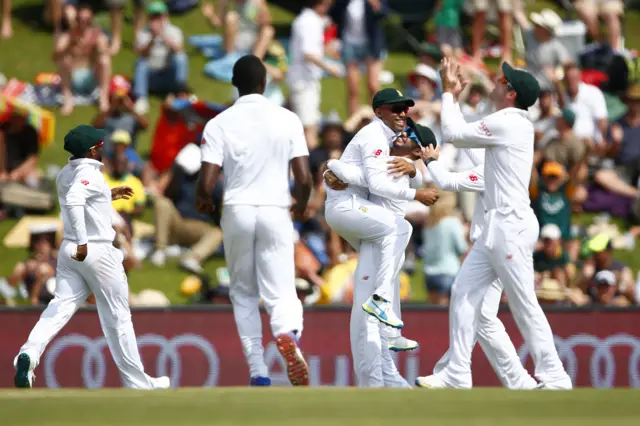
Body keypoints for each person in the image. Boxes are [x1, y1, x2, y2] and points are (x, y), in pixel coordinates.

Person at [418, 58, 571, 389]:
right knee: (462, 291)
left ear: (511, 93)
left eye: (504, 81)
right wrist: (454, 99)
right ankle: (458, 372)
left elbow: (455, 134)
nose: (497, 83)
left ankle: (555, 375)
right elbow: (468, 145)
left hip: (511, 225)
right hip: (496, 228)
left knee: (523, 302)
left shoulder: (510, 122)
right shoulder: (506, 125)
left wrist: (446, 91)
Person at [13, 125, 169, 390]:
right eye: (100, 146)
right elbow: (76, 200)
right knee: (118, 316)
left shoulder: (65, 173)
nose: (103, 150)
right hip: (95, 250)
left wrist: (109, 195)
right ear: (93, 150)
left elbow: (83, 199)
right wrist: (84, 241)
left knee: (59, 307)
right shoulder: (89, 174)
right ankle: (138, 383)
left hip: (69, 253)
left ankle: (28, 354)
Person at [196, 55, 313, 387]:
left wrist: (204, 201)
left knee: (244, 294)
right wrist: (301, 207)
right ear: (265, 83)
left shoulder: (218, 124)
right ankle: (286, 332)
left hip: (237, 210)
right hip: (276, 209)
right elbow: (304, 178)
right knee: (282, 292)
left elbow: (206, 184)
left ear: (234, 84)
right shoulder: (288, 119)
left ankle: (258, 372)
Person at [415, 143, 537, 390]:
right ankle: (520, 382)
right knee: (482, 316)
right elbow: (472, 146)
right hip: (495, 244)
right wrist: (456, 135)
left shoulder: (492, 173)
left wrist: (430, 160)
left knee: (466, 299)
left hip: (495, 245)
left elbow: (446, 181)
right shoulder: (500, 166)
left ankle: (455, 374)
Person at [323, 121, 434, 386]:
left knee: (370, 315)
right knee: (376, 315)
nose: (403, 133)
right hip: (382, 240)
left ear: (417, 150)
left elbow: (365, 179)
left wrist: (333, 168)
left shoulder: (398, 165)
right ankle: (380, 379)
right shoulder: (393, 160)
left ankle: (379, 379)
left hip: (382, 243)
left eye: (410, 136)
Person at [324, 88, 439, 330]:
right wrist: (332, 168)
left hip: (363, 218)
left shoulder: (394, 152)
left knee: (384, 281)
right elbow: (376, 181)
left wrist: (334, 168)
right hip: (350, 209)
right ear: (378, 112)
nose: (404, 116)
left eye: (405, 110)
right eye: (396, 109)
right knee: (400, 229)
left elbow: (371, 176)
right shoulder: (377, 138)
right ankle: (381, 304)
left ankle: (390, 336)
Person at [287, 0, 342, 150]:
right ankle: (311, 168)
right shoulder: (309, 23)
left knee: (310, 125)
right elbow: (309, 54)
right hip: (304, 82)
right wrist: (331, 69)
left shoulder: (309, 21)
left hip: (304, 80)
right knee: (308, 128)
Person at [330, 0, 388, 116]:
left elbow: (384, 14)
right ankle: (354, 124)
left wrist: (376, 5)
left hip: (371, 44)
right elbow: (334, 14)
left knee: (373, 86)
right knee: (353, 88)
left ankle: (376, 120)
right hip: (350, 43)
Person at [53, 3, 111, 115]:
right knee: (63, 60)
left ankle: (103, 99)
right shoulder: (68, 36)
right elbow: (55, 57)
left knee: (104, 60)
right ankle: (68, 99)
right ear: (76, 20)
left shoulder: (97, 35)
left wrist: (97, 45)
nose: (83, 23)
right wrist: (69, 46)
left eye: (87, 20)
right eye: (80, 20)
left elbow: (105, 52)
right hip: (72, 78)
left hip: (91, 77)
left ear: (91, 20)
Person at [133, 2, 189, 115]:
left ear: (165, 16)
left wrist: (163, 35)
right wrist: (153, 38)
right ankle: (141, 98)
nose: (157, 19)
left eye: (159, 16)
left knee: (181, 58)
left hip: (169, 76)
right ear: (149, 17)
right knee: (141, 62)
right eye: (154, 16)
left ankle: (180, 93)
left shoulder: (174, 31)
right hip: (152, 78)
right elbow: (141, 53)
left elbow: (179, 49)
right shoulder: (143, 33)